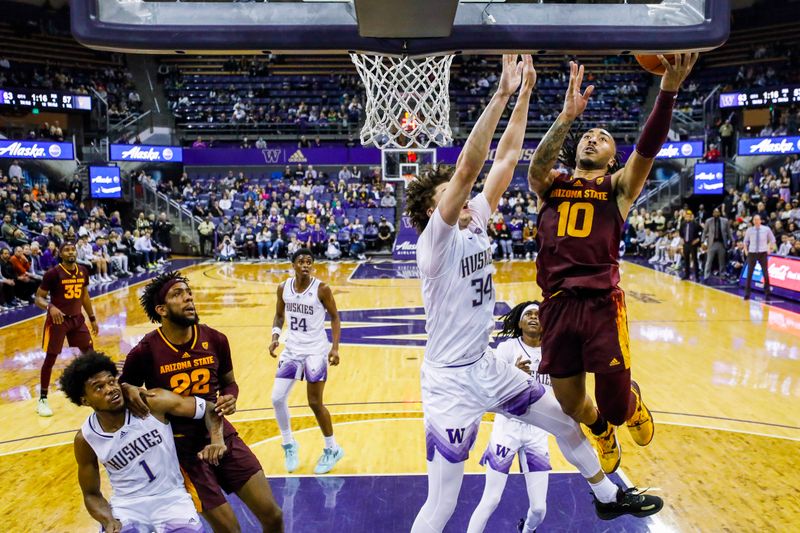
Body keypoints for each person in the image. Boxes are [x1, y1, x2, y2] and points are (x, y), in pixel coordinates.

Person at [406, 55, 660, 532]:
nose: (460, 197)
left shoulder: (475, 218)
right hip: (448, 384)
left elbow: (505, 158)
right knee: (441, 506)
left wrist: (523, 96)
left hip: (485, 364)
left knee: (565, 419)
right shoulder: (434, 242)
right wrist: (499, 95)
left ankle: (608, 496)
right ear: (432, 209)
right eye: (447, 195)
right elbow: (467, 167)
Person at [526, 54, 696, 474]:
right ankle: (600, 430)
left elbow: (648, 147)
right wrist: (567, 116)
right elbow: (535, 167)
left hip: (602, 303)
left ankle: (630, 407)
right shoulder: (552, 185)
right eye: (587, 135)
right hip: (558, 304)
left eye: (602, 138)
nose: (592, 139)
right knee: (569, 404)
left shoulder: (619, 187)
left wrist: (668, 90)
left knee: (617, 407)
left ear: (612, 157)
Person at [119, 271, 283, 532]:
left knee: (273, 515)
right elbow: (124, 387)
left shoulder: (215, 339)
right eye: (178, 294)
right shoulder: (145, 350)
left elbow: (229, 381)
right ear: (161, 309)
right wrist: (127, 389)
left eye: (189, 293)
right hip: (182, 450)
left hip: (221, 433)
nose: (188, 298)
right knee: (230, 530)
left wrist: (231, 396)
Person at [63, 350, 225, 533]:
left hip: (172, 499)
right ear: (84, 400)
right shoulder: (86, 439)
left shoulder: (152, 403)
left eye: (111, 381)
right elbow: (91, 494)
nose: (110, 389)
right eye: (99, 388)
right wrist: (107, 520)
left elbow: (210, 408)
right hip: (127, 509)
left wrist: (217, 440)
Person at [467, 302, 550, 533]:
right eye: (528, 314)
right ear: (519, 322)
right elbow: (489, 390)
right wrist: (512, 376)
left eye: (538, 314)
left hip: (537, 433)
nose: (534, 317)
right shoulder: (506, 348)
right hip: (507, 429)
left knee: (539, 509)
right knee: (491, 499)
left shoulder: (555, 353)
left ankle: (527, 530)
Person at [269, 249, 343, 474]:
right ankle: (289, 444)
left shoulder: (321, 288)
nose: (305, 265)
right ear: (293, 264)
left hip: (315, 351)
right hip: (291, 349)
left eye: (309, 262)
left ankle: (332, 448)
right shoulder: (283, 288)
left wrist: (335, 347)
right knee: (277, 398)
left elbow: (335, 316)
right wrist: (274, 337)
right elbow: (280, 316)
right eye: (301, 261)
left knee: (314, 402)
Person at [34, 241, 98, 417]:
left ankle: (95, 389)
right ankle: (42, 400)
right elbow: (38, 298)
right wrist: (50, 307)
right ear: (61, 254)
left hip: (77, 319)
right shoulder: (53, 274)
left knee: (90, 355)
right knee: (50, 359)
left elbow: (84, 295)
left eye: (73, 249)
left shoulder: (83, 270)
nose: (71, 252)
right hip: (58, 321)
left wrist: (92, 318)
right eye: (67, 250)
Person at [743, 214, 776, 300]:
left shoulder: (766, 229)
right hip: (752, 253)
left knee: (765, 273)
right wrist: (746, 251)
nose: (756, 221)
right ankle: (747, 293)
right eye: (755, 220)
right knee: (749, 273)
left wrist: (770, 248)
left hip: (762, 253)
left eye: (758, 220)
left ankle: (767, 292)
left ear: (760, 220)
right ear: (753, 221)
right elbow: (745, 242)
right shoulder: (749, 230)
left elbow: (773, 239)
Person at [702, 207, 731, 280]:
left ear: (719, 213)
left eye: (717, 212)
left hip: (721, 243)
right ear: (713, 213)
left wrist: (732, 240)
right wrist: (703, 241)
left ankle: (722, 275)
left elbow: (729, 232)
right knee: (709, 261)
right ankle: (706, 276)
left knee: (722, 261)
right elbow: (704, 232)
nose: (716, 213)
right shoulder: (708, 221)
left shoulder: (725, 221)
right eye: (715, 212)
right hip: (712, 243)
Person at [679, 211, 702, 280]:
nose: (687, 217)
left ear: (691, 216)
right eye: (686, 216)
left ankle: (697, 276)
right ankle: (687, 275)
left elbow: (702, 231)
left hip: (693, 244)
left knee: (695, 260)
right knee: (686, 260)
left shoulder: (695, 224)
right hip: (686, 244)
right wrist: (682, 239)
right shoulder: (683, 224)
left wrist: (698, 239)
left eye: (689, 216)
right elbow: (680, 232)